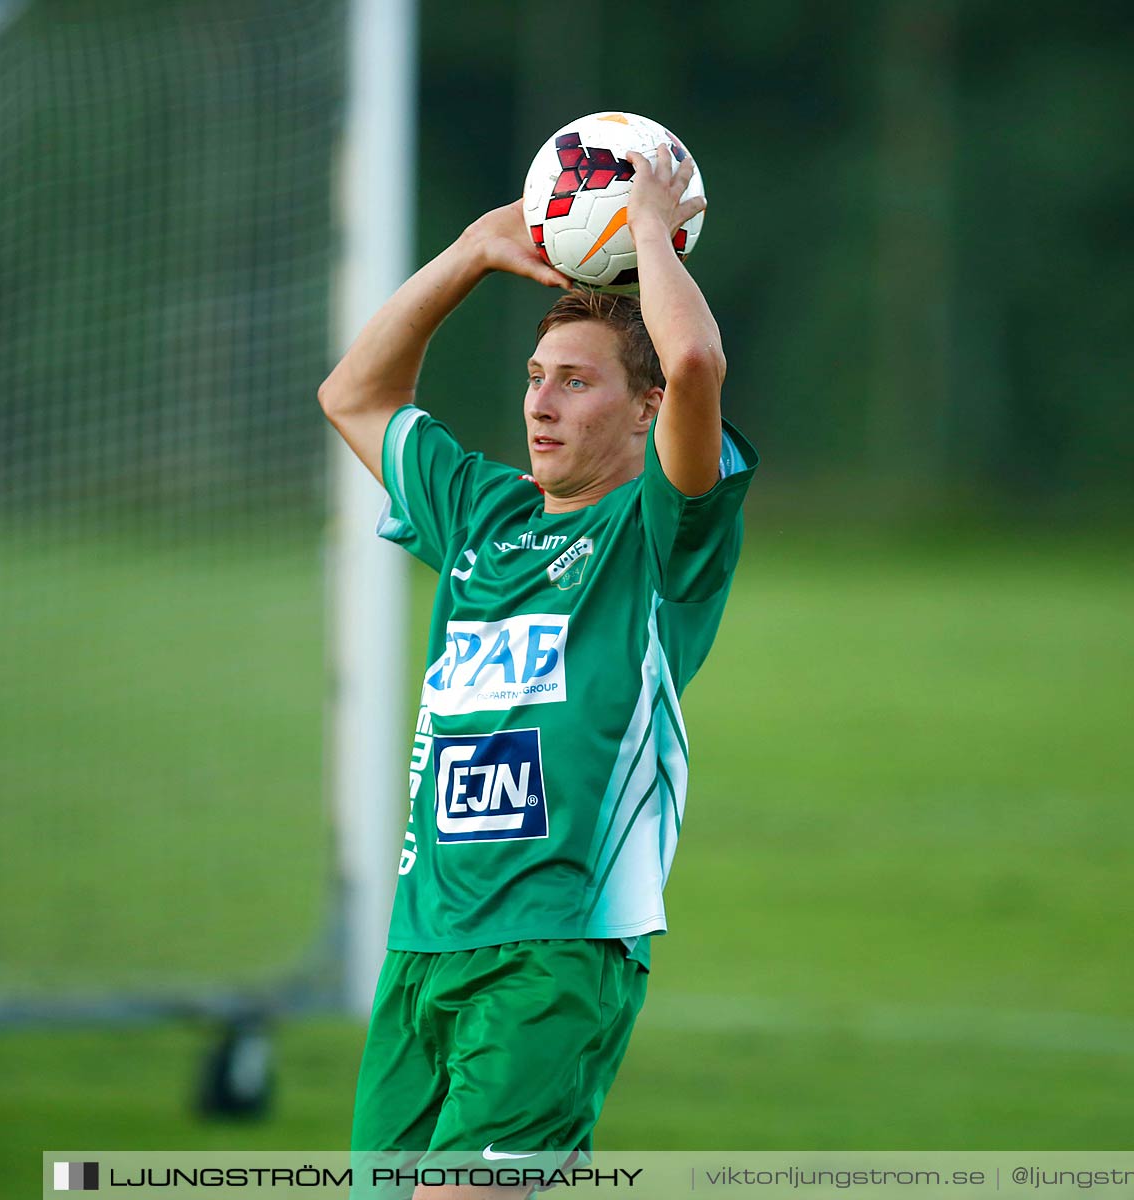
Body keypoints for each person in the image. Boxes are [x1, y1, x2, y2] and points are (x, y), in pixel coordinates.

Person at [319, 144, 755, 1195]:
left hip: (557, 943)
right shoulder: (484, 517)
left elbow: (695, 364)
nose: (541, 405)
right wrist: (472, 251)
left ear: (643, 412)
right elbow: (353, 393)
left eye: (575, 382)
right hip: (425, 945)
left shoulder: (659, 532)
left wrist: (647, 227)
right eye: (533, 380)